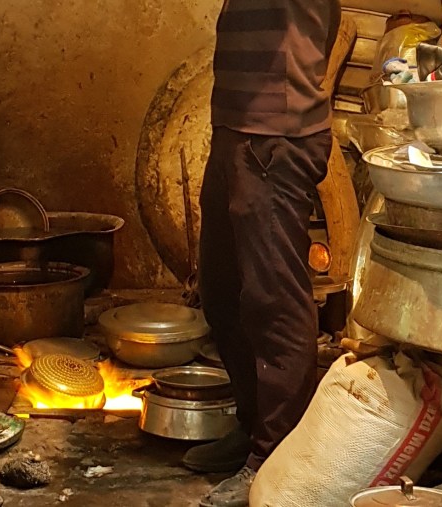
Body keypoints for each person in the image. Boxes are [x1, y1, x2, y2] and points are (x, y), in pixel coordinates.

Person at [184, 2, 341, 506]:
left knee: (272, 302)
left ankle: (276, 458)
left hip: (278, 135)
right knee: (223, 293)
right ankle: (253, 427)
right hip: (237, 129)